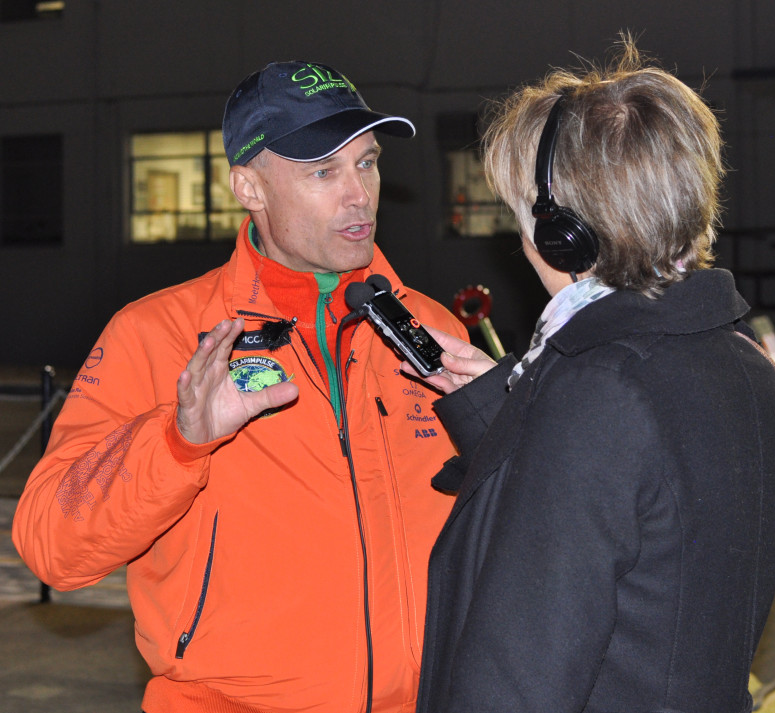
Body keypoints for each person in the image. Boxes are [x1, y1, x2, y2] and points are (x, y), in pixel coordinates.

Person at [13, 61, 467, 713]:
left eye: (366, 163)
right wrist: (176, 444)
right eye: (323, 171)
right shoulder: (158, 334)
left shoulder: (432, 329)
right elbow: (51, 544)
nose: (357, 194)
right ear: (248, 186)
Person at [412, 38, 775, 713]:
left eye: (524, 208)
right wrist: (506, 406)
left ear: (565, 233)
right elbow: (648, 518)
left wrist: (555, 403)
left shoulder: (599, 391)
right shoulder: (736, 359)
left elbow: (517, 677)